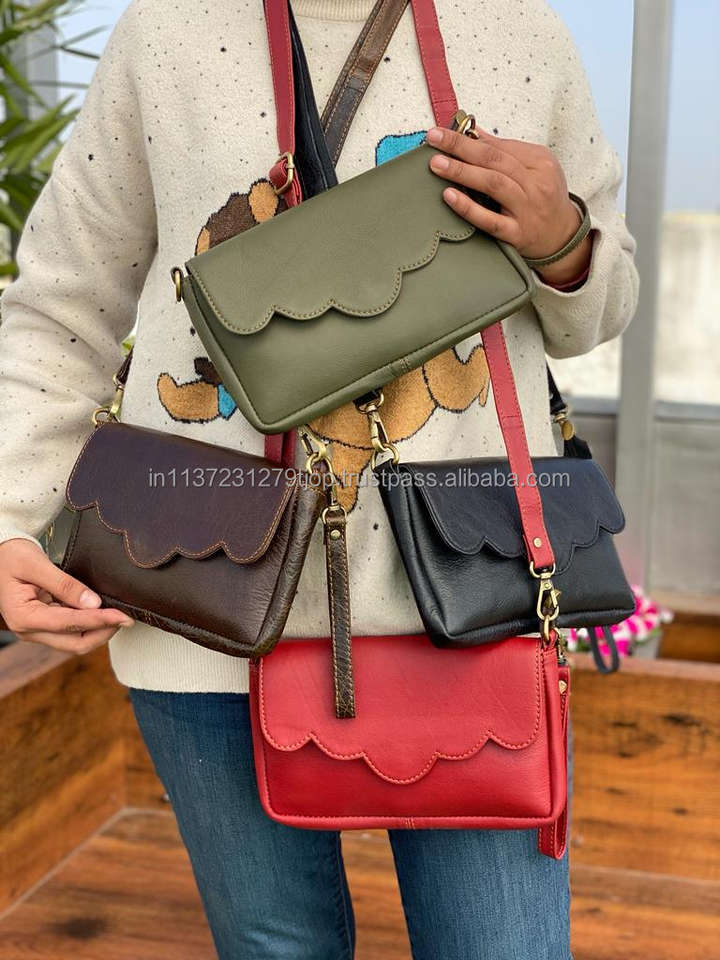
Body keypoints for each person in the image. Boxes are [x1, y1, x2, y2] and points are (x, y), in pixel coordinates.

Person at [0, 1, 638, 957]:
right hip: (207, 606)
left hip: (479, 602)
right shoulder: (166, 31)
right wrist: (11, 513)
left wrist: (564, 242)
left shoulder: (519, 29)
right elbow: (62, 302)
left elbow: (600, 305)